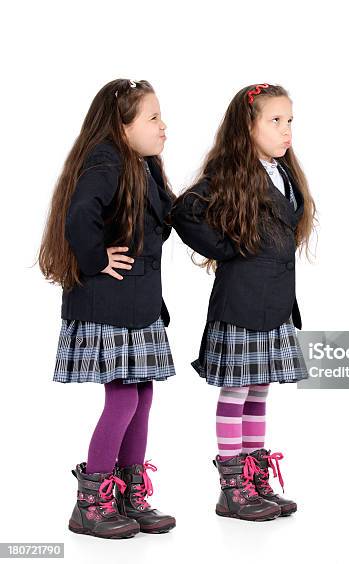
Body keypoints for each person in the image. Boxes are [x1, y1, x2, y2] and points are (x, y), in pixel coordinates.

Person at [171, 83, 315, 521]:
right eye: (275, 121)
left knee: (259, 390)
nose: (286, 129)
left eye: (290, 120)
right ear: (247, 126)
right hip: (242, 306)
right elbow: (183, 211)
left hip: (273, 307)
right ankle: (231, 487)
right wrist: (227, 246)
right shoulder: (231, 172)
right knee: (236, 391)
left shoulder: (283, 172)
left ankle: (253, 477)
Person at [39, 79, 176, 538]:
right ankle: (90, 504)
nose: (163, 126)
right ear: (123, 125)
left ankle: (127, 492)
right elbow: (79, 215)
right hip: (110, 305)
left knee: (142, 395)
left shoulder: (143, 166)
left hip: (137, 304)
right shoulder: (107, 159)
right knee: (122, 398)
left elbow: (168, 220)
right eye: (153, 117)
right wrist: (97, 259)